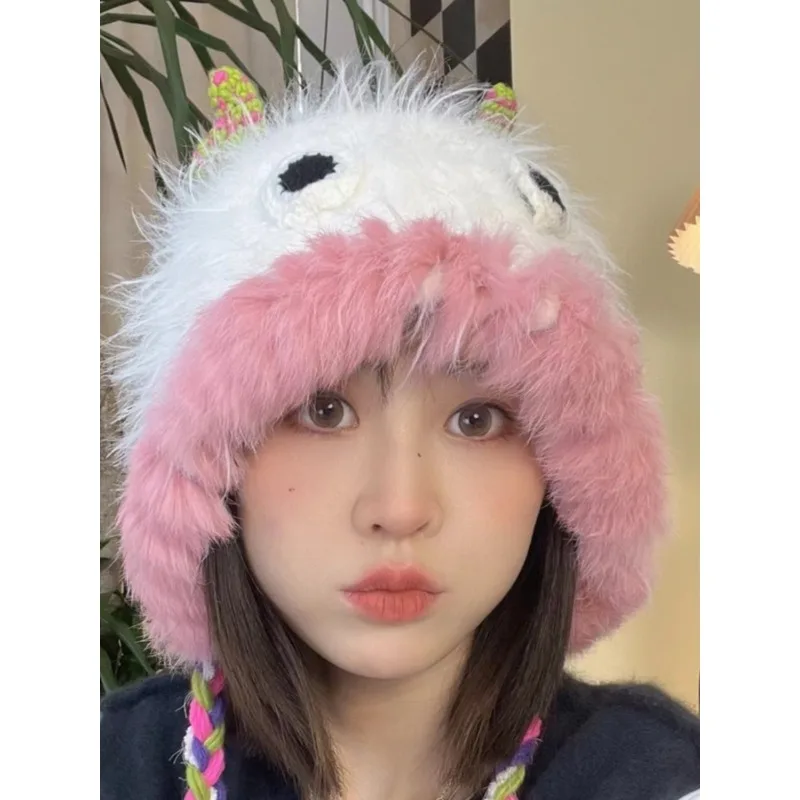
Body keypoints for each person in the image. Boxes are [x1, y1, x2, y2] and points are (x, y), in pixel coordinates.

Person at [100, 61, 700, 800]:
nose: (400, 507)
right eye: (323, 410)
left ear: (566, 480)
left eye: (477, 420)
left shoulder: (659, 773)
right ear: (208, 468)